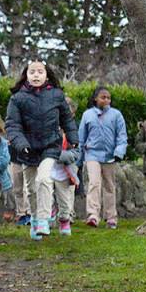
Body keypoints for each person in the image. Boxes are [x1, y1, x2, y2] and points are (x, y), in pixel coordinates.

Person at [5, 60, 79, 241]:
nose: (36, 75)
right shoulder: (17, 98)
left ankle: (44, 220)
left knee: (44, 178)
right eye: (32, 72)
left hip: (49, 146)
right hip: (27, 149)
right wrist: (21, 143)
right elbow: (12, 125)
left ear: (46, 75)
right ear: (26, 75)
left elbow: (67, 119)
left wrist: (73, 137)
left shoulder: (56, 95)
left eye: (40, 72)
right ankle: (35, 218)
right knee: (30, 189)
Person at [79, 86, 128, 229]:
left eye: (108, 97)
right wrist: (79, 158)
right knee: (94, 183)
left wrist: (119, 151)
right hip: (92, 154)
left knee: (109, 186)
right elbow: (82, 137)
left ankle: (111, 217)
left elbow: (122, 136)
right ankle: (93, 215)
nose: (106, 100)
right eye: (103, 97)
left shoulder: (116, 115)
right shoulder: (87, 115)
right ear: (96, 99)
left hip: (110, 156)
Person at [48, 96, 81, 236]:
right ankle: (47, 218)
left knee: (64, 200)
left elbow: (76, 152)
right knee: (46, 196)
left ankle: (64, 220)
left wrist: (59, 155)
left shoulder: (72, 131)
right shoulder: (47, 127)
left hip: (64, 172)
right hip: (48, 169)